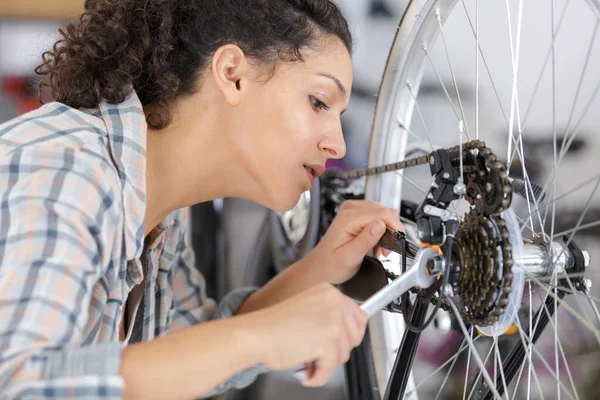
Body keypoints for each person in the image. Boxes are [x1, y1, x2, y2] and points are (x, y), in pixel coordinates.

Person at [0, 0, 404, 399]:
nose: (337, 145)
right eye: (318, 102)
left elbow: (194, 349)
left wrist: (322, 267)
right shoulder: (71, 169)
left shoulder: (159, 215)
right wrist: (258, 336)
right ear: (232, 74)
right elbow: (23, 384)